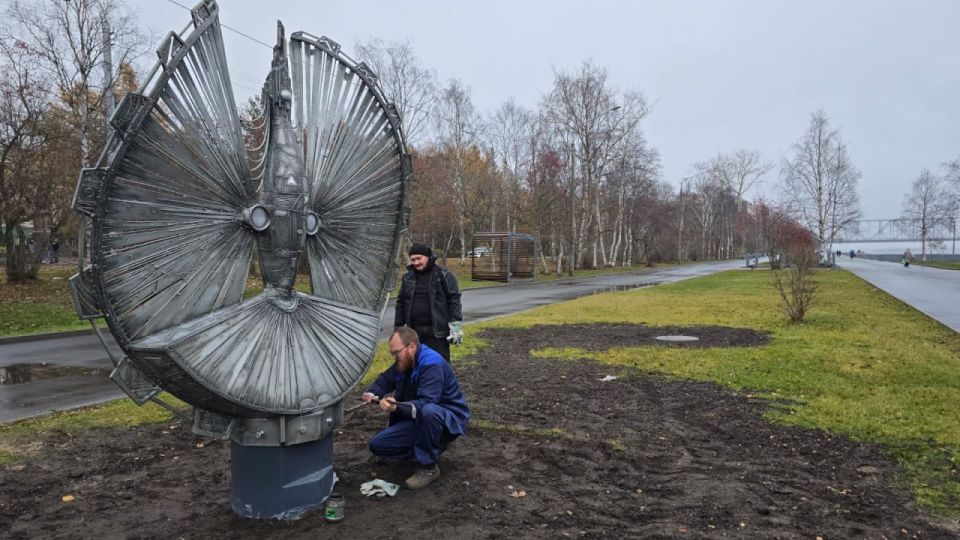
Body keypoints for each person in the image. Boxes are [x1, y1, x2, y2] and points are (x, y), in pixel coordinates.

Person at [363, 327, 471, 490]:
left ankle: (429, 467)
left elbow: (425, 403)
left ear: (411, 346)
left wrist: (395, 408)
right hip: (422, 419)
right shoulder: (406, 361)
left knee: (429, 411)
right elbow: (386, 378)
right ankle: (430, 446)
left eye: (396, 352)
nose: (394, 357)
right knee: (378, 446)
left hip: (447, 420)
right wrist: (372, 393)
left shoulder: (431, 364)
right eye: (392, 353)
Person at [394, 243, 463, 361]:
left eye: (418, 259)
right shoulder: (408, 277)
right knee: (415, 365)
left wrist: (455, 325)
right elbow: (401, 302)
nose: (415, 263)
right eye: (413, 260)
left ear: (428, 257)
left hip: (437, 333)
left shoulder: (444, 275)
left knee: (439, 365)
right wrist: (398, 329)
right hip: (414, 333)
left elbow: (454, 300)